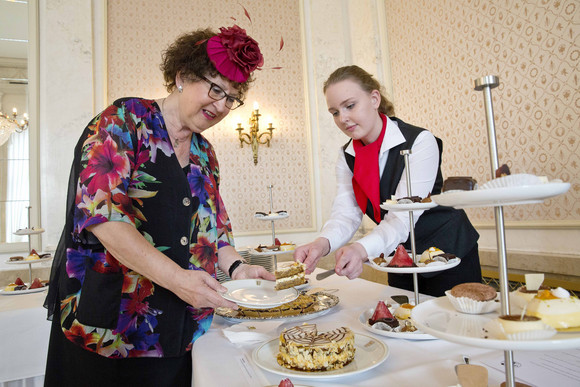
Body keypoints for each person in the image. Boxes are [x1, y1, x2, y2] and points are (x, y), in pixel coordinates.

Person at [43, 26, 274, 386]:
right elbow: (105, 220)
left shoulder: (205, 152)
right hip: (109, 331)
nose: (221, 106)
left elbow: (212, 229)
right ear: (181, 77)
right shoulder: (123, 121)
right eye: (215, 89)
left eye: (231, 98)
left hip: (178, 332)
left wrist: (240, 268)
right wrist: (180, 281)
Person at [294, 65, 481, 297]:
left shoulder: (420, 142)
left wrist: (361, 249)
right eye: (334, 112)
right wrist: (321, 244)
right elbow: (346, 213)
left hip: (449, 256)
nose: (342, 118)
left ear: (374, 98)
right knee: (403, 322)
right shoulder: (347, 156)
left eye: (350, 105)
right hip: (397, 257)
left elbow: (402, 218)